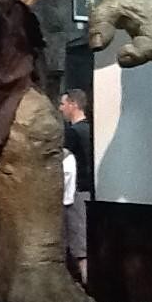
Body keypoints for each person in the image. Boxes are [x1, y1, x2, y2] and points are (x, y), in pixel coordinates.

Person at [59, 88, 92, 284]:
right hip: (89, 191)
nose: (60, 108)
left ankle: (88, 285)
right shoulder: (91, 130)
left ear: (73, 105)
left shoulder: (73, 133)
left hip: (76, 192)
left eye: (63, 104)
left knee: (79, 245)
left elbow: (59, 158)